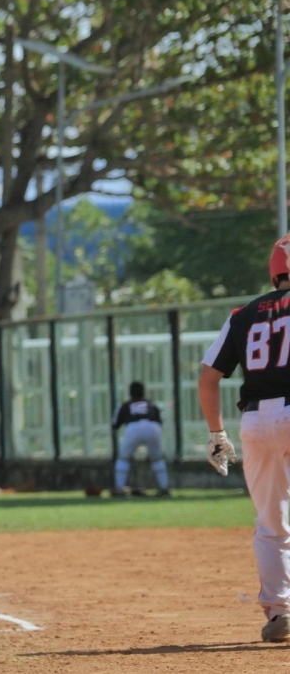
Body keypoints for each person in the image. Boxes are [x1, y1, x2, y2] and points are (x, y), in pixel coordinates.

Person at [198, 233, 290, 643]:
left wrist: (216, 433)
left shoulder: (244, 314)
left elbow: (208, 377)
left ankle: (280, 612)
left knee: (271, 523)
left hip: (254, 423)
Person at [111, 381, 171, 497]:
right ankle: (164, 488)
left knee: (123, 459)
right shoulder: (152, 404)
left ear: (130, 392)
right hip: (153, 427)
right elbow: (161, 420)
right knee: (157, 459)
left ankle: (119, 489)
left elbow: (115, 424)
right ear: (144, 392)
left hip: (133, 427)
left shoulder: (125, 405)